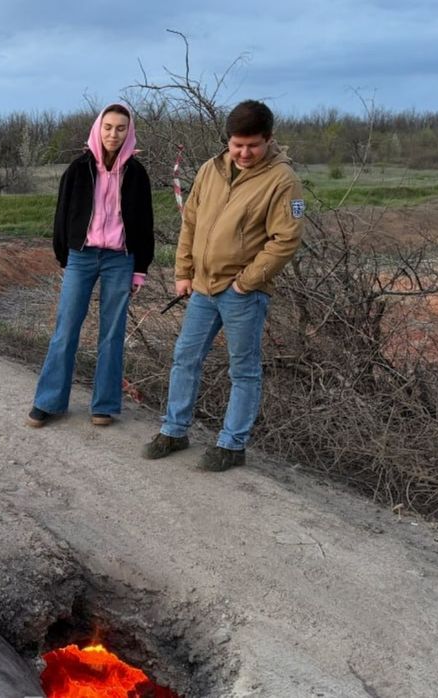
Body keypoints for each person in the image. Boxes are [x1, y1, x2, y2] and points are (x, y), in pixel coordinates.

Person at [141, 99, 304, 471]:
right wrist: (184, 273)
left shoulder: (282, 180)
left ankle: (232, 444)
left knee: (243, 369)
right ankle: (174, 430)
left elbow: (285, 240)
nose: (244, 153)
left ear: (268, 139)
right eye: (237, 145)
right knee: (185, 358)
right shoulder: (210, 170)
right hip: (202, 287)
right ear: (227, 141)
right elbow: (191, 223)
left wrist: (246, 283)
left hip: (242, 293)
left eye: (253, 145)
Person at [27, 103, 154, 428]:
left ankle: (105, 405)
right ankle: (48, 401)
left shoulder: (137, 174)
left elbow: (145, 224)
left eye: (121, 128)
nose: (113, 134)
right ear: (98, 128)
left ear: (129, 132)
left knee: (112, 333)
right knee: (66, 328)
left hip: (120, 260)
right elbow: (62, 214)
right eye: (108, 127)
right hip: (81, 257)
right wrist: (64, 256)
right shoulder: (78, 169)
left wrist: (140, 268)